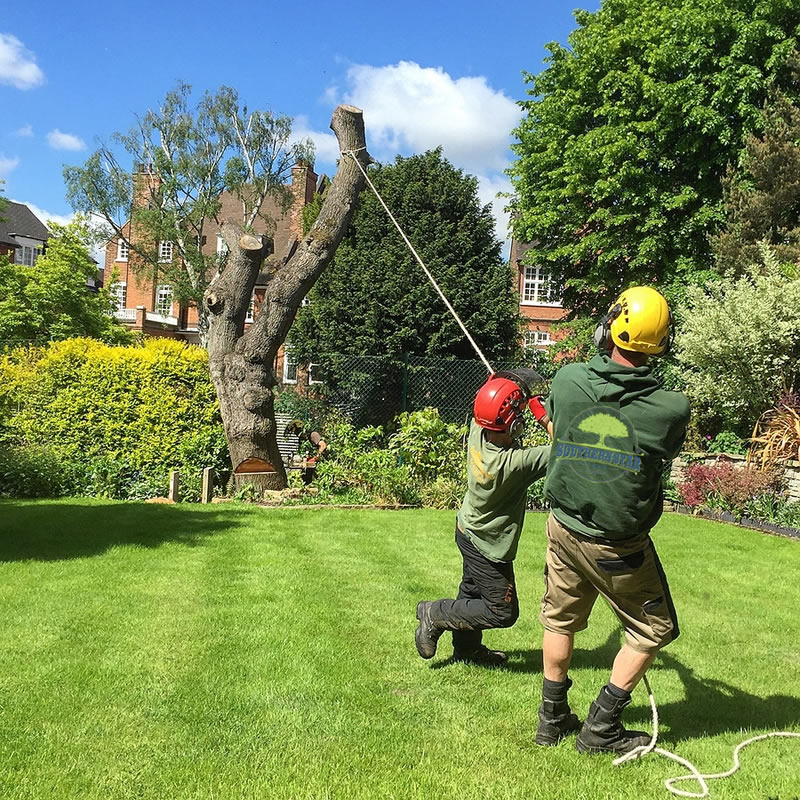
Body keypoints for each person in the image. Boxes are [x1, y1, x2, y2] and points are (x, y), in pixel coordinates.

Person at [534, 286, 690, 753]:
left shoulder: (565, 381)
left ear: (609, 329)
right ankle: (600, 729)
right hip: (616, 545)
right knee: (652, 629)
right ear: (660, 345)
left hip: (563, 527)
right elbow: (650, 452)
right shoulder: (671, 408)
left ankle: (551, 719)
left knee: (560, 619)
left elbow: (565, 430)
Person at [414, 374, 552, 666]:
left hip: (467, 528)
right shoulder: (513, 465)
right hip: (487, 545)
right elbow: (567, 448)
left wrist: (504, 393)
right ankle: (434, 613)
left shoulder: (478, 427)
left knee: (472, 591)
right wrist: (542, 415)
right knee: (502, 612)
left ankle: (466, 650)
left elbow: (488, 397)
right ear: (513, 424)